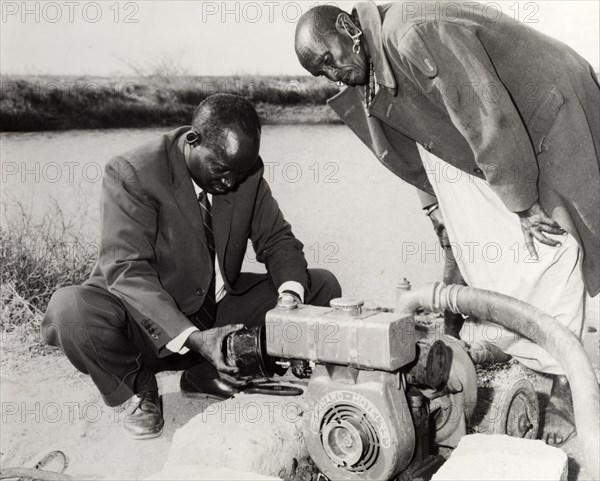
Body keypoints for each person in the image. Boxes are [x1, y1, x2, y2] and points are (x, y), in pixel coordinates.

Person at [294, 2, 599, 446]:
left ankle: (565, 384)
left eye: (328, 58)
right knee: (490, 247)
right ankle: (521, 344)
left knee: (548, 239)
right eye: (319, 72)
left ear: (347, 26)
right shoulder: (373, 63)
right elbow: (417, 135)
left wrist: (522, 202)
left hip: (548, 105)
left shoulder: (412, 33)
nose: (331, 73)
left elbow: (484, 112)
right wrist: (434, 206)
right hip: (506, 121)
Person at [42, 94, 341, 439]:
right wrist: (195, 338)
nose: (231, 182)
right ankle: (140, 389)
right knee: (71, 312)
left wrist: (289, 303)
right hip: (145, 327)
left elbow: (277, 240)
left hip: (216, 316)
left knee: (319, 286)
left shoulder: (244, 171)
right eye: (222, 170)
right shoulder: (132, 172)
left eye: (240, 173)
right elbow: (127, 270)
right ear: (193, 140)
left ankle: (208, 374)